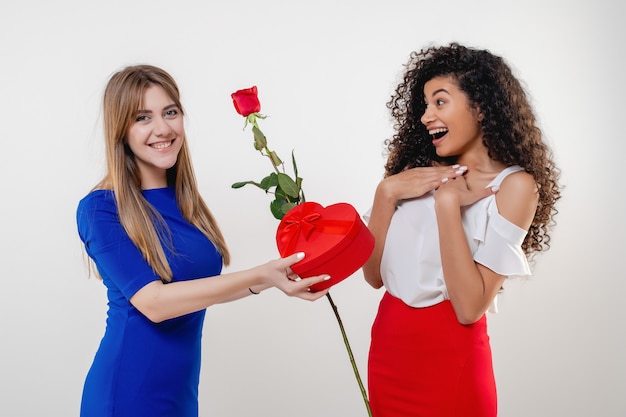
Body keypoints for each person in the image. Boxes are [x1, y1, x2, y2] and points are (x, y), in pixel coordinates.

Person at [76, 64, 330, 417]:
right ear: (121, 131)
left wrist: (276, 279)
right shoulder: (101, 208)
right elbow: (155, 303)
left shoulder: (185, 201)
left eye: (170, 112)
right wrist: (261, 276)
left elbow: (202, 287)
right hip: (127, 396)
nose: (163, 128)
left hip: (179, 395)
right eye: (142, 118)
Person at [362, 43, 561, 417]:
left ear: (482, 106)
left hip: (451, 358)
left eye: (440, 102)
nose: (426, 116)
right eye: (424, 104)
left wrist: (447, 206)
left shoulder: (514, 185)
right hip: (389, 348)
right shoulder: (412, 174)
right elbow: (373, 276)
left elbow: (469, 308)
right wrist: (386, 193)